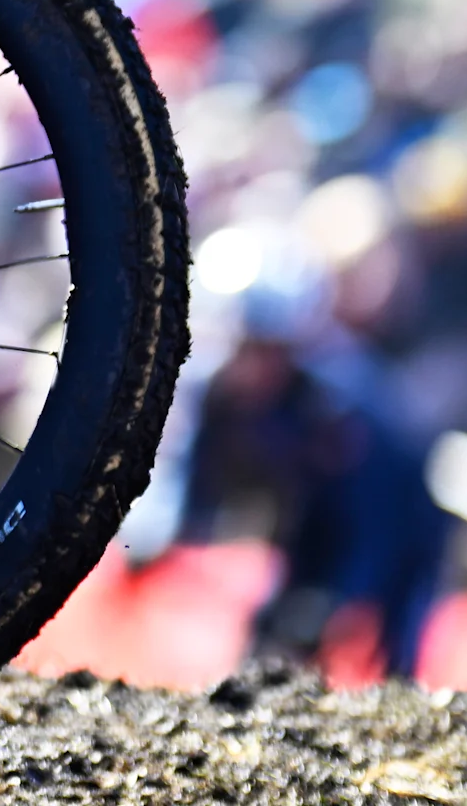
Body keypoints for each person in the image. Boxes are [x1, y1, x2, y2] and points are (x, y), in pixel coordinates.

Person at [181, 226, 451, 677]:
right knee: (269, 639)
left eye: (256, 348)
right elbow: (197, 486)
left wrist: (343, 598)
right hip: (308, 520)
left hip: (393, 522)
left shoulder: (340, 410)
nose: (240, 366)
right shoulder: (220, 391)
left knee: (385, 655)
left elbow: (373, 521)